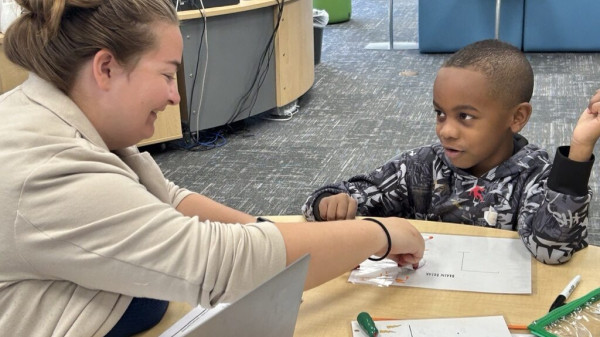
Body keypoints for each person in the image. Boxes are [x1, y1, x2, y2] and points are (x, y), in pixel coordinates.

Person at [0, 1, 425, 336]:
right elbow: (222, 267)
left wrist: (281, 236)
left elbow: (166, 198)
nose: (174, 96)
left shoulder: (62, 117)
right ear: (106, 67)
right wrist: (379, 233)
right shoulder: (46, 168)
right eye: (168, 75)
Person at [302, 39, 600, 266]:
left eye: (465, 117)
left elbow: (552, 250)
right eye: (440, 113)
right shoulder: (422, 166)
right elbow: (352, 197)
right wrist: (328, 203)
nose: (446, 131)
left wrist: (580, 148)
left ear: (517, 117)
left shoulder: (536, 176)